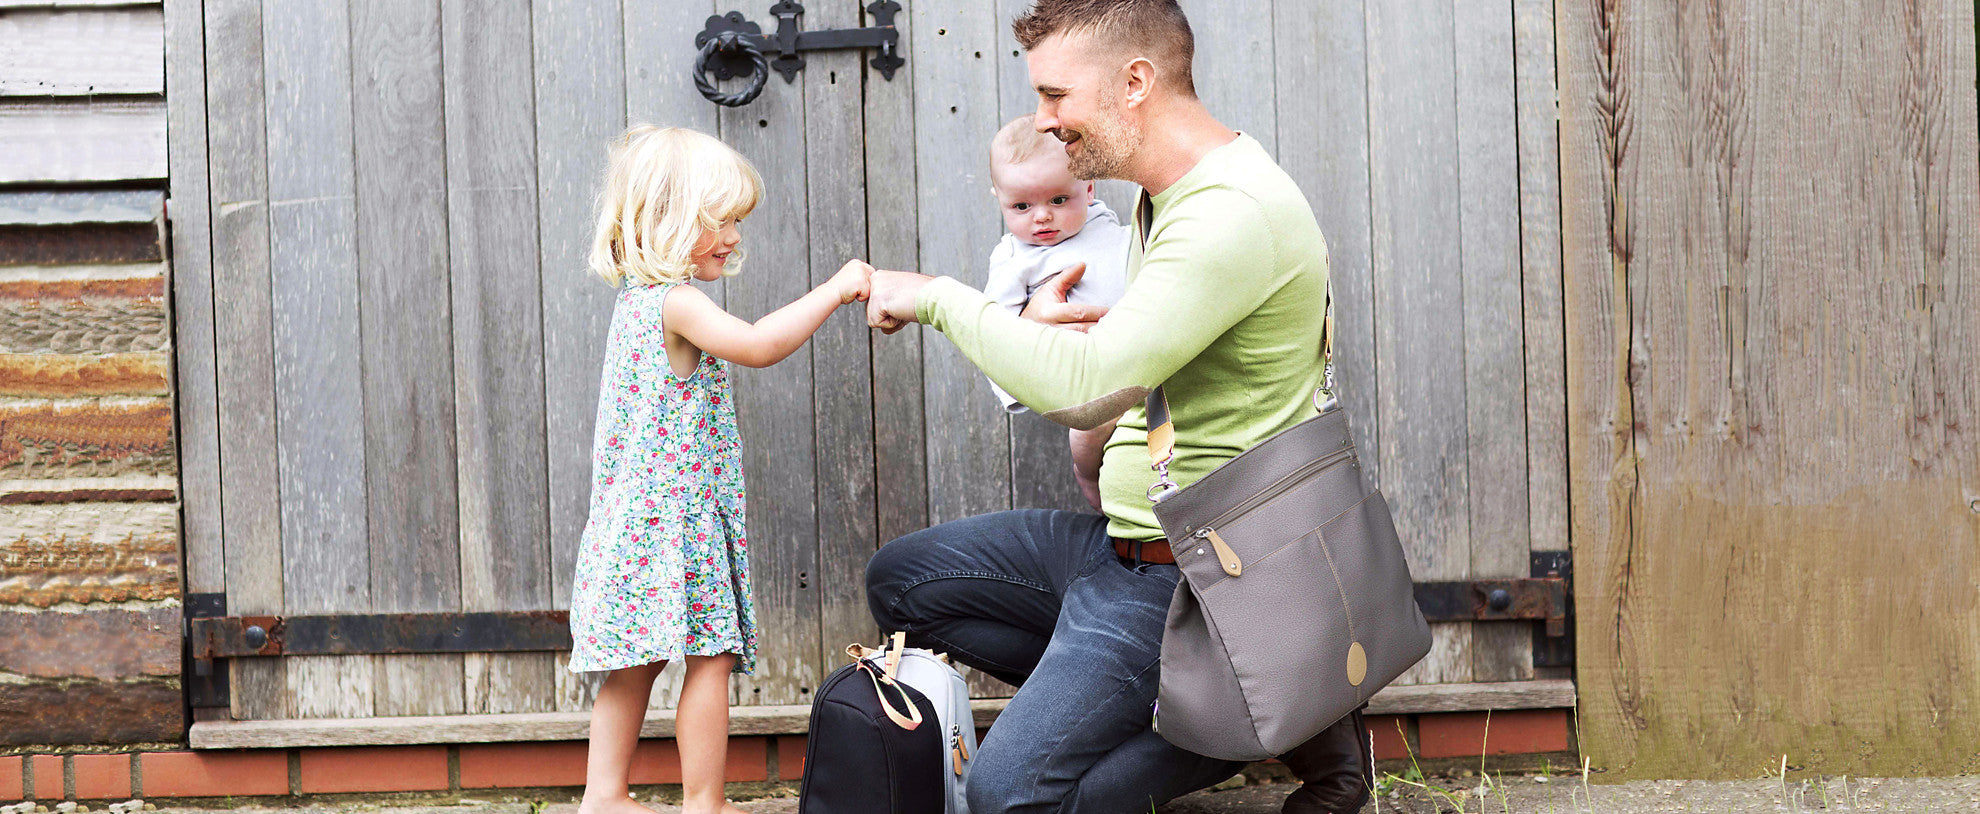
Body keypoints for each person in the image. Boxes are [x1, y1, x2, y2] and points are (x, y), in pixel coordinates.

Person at [863, 1, 1372, 812]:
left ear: (1134, 83)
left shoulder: (1226, 214)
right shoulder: (1166, 196)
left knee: (1011, 797)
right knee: (905, 582)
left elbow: (1088, 383)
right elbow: (1130, 381)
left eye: (1056, 96)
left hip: (1194, 577)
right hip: (1122, 543)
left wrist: (936, 298)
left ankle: (1227, 714)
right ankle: (1190, 698)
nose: (1045, 121)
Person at [566, 125, 872, 814]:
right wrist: (834, 290)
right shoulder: (678, 302)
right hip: (675, 519)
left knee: (632, 666)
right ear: (673, 220)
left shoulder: (636, 304)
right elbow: (759, 345)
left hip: (632, 518)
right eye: (722, 220)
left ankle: (604, 795)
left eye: (738, 219)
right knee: (710, 658)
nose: (735, 235)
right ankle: (705, 802)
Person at [981, 113, 1132, 509]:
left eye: (1059, 200)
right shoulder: (1014, 258)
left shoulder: (1106, 225)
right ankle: (1090, 480)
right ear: (999, 199)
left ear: (1089, 189)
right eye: (1021, 206)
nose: (1042, 216)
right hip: (1084, 381)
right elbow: (994, 333)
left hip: (1137, 360)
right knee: (1088, 434)